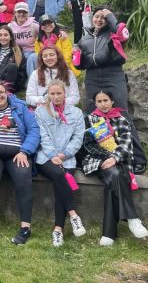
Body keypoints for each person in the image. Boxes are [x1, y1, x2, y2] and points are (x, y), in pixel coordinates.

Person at [76, 7, 147, 174]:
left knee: (122, 115)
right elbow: (79, 63)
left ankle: (138, 158)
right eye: (97, 16)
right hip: (93, 78)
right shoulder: (85, 39)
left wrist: (111, 16)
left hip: (113, 76)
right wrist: (86, 59)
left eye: (103, 17)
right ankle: (100, 156)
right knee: (95, 118)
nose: (99, 20)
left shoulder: (113, 32)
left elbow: (123, 34)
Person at [0, 81, 40, 244]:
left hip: (17, 152)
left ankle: (25, 227)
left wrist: (25, 151)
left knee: (23, 177)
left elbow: (34, 130)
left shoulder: (20, 107)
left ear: (7, 92)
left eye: (1, 92)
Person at [82, 90, 148, 245]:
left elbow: (126, 144)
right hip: (97, 161)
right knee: (115, 173)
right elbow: (88, 145)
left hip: (120, 161)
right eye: (99, 101)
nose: (103, 104)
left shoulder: (122, 119)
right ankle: (132, 218)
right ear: (95, 103)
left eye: (106, 100)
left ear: (112, 101)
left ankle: (109, 234)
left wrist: (114, 157)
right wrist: (107, 156)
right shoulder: (90, 119)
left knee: (114, 177)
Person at [34, 80, 86, 247]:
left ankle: (58, 230)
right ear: (48, 95)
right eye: (52, 94)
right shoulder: (41, 112)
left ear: (65, 94)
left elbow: (78, 138)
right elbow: (42, 136)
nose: (56, 97)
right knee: (59, 174)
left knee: (60, 183)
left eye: (59, 93)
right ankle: (73, 214)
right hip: (45, 157)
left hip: (67, 158)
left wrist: (64, 155)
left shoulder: (76, 113)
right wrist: (52, 155)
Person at [0, 25, 25, 92]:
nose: (3, 37)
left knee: (12, 66)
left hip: (8, 85)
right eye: (0, 35)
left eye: (6, 35)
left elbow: (21, 73)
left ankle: (6, 90)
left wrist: (17, 86)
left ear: (11, 37)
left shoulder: (18, 52)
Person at [8, 2, 40, 77]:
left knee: (31, 57)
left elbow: (47, 29)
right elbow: (2, 36)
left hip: (31, 52)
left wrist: (61, 32)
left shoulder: (34, 25)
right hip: (15, 51)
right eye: (19, 12)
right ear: (15, 13)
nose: (21, 14)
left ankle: (31, 81)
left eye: (24, 12)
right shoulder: (10, 26)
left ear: (27, 14)